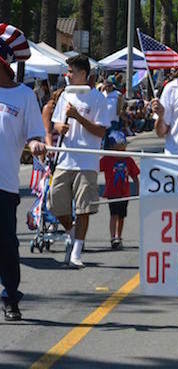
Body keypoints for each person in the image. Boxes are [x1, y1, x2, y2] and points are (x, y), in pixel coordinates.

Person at [0, 25, 46, 320]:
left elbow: (34, 134)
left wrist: (36, 143)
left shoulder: (25, 96)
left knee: (6, 245)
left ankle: (10, 296)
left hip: (4, 185)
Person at [49, 54, 111, 268]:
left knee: (84, 208)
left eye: (72, 72)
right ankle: (73, 232)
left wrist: (78, 117)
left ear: (83, 74)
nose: (68, 76)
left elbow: (100, 131)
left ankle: (77, 251)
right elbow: (56, 123)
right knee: (55, 202)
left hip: (87, 161)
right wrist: (60, 128)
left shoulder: (98, 99)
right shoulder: (66, 94)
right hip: (65, 158)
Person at [99, 131, 139, 249]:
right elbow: (95, 168)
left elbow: (135, 175)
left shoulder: (128, 159)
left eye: (124, 146)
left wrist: (138, 188)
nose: (123, 149)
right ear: (112, 147)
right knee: (114, 214)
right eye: (120, 147)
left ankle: (119, 236)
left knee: (122, 216)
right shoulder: (107, 159)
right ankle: (113, 237)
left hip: (125, 192)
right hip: (112, 192)